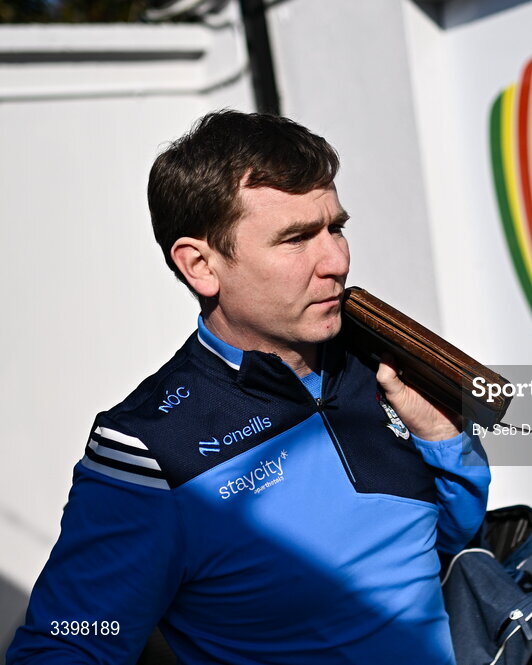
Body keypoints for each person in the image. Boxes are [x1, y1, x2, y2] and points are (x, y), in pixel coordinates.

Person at [6, 110, 490, 664]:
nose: (335, 260)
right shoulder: (148, 446)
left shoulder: (375, 359)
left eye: (336, 227)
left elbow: (439, 547)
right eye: (296, 239)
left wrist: (445, 443)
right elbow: (66, 648)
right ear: (201, 266)